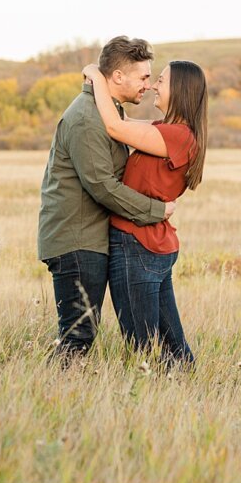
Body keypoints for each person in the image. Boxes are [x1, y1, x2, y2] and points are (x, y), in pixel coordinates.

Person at [38, 36, 176, 363]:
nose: (147, 85)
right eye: (143, 77)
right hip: (76, 240)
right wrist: (158, 211)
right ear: (117, 77)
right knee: (78, 333)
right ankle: (52, 397)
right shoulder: (87, 117)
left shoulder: (104, 111)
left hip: (87, 238)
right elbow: (102, 185)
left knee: (81, 331)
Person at [81, 59, 208, 369]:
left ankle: (151, 405)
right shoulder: (167, 132)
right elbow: (119, 119)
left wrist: (97, 76)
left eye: (161, 81)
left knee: (142, 347)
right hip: (150, 245)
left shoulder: (177, 136)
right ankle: (183, 392)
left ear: (178, 91)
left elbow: (114, 127)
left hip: (137, 245)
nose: (153, 86)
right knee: (171, 347)